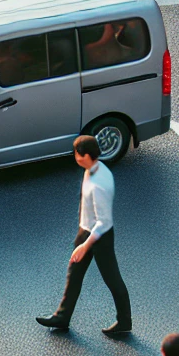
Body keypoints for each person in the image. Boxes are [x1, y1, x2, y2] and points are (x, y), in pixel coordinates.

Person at [36, 134, 132, 335]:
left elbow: (104, 222)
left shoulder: (100, 184)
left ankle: (124, 322)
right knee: (74, 273)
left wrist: (85, 245)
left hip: (100, 237)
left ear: (86, 155)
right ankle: (62, 317)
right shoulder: (92, 169)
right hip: (86, 231)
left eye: (77, 154)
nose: (75, 157)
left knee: (112, 279)